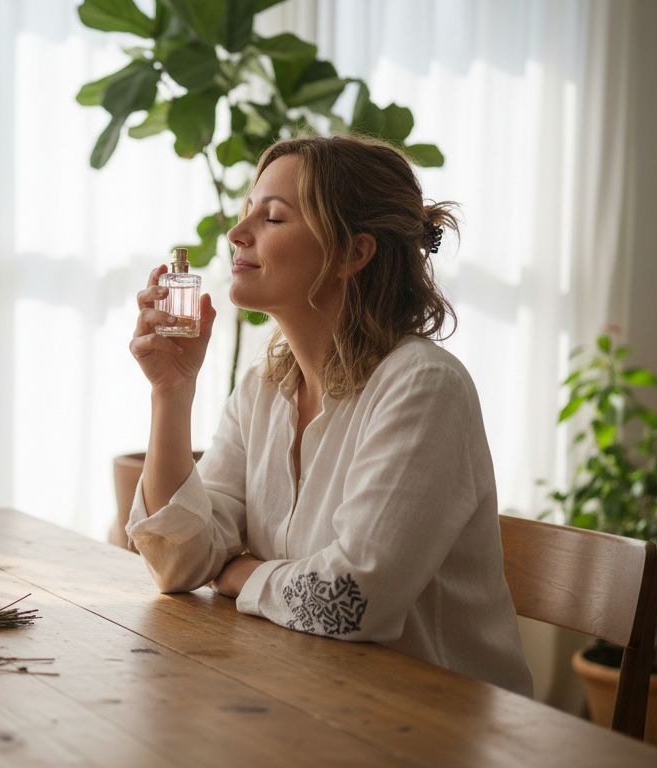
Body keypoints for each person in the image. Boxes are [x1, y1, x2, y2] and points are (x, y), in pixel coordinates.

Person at [127, 134, 533, 696]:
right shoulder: (263, 390)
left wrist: (242, 571)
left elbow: (348, 602)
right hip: (310, 693)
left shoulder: (422, 388)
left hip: (433, 723)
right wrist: (171, 393)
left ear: (352, 253)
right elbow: (179, 564)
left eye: (271, 217)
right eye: (247, 212)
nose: (237, 234)